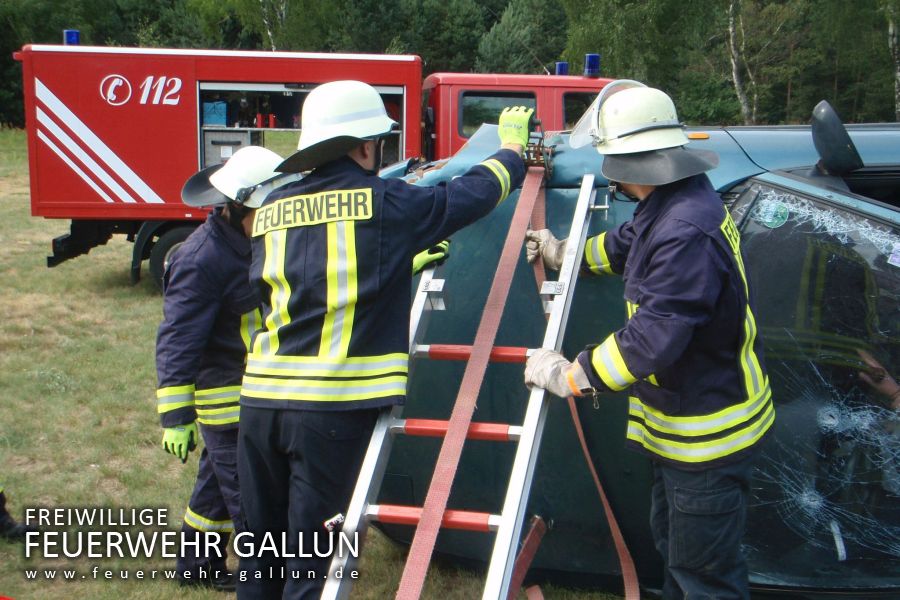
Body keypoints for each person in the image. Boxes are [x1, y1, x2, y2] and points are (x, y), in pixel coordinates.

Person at [236, 79, 532, 600]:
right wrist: (510, 152)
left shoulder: (272, 206)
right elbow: (468, 196)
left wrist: (390, 267)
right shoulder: (384, 202)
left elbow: (299, 284)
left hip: (259, 405)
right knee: (316, 565)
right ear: (366, 145)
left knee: (261, 553)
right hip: (329, 412)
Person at [524, 80, 775, 600]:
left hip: (707, 440)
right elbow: (626, 245)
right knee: (677, 551)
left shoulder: (683, 230)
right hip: (686, 431)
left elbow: (651, 340)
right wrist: (564, 253)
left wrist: (571, 375)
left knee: (704, 578)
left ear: (627, 162)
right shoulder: (674, 202)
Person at [156, 146, 285, 591]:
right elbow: (178, 339)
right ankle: (264, 583)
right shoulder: (200, 260)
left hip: (254, 390)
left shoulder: (251, 242)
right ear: (239, 206)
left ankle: (195, 568)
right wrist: (176, 417)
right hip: (226, 403)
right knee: (250, 501)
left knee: (214, 488)